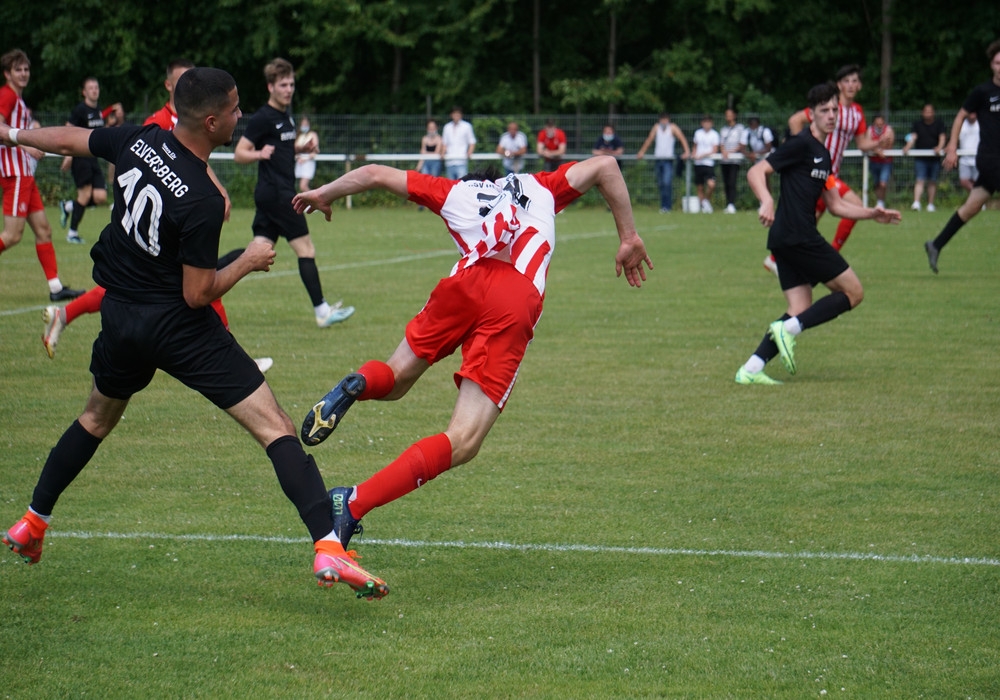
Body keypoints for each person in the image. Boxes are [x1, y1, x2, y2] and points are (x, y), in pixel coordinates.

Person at [0, 67, 387, 600]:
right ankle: (328, 545)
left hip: (121, 317)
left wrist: (13, 134)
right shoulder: (201, 197)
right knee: (274, 426)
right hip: (177, 326)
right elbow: (198, 294)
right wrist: (248, 260)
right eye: (233, 109)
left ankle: (32, 521)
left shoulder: (140, 139)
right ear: (210, 122)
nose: (240, 116)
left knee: (94, 418)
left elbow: (70, 139)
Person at [290, 155, 651, 575]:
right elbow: (606, 165)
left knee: (396, 377)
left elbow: (373, 174)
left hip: (462, 284)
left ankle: (359, 382)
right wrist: (628, 237)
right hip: (513, 298)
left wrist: (323, 193)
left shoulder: (456, 191)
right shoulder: (541, 185)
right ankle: (352, 502)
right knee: (463, 439)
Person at [42, 59, 272, 373]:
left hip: (170, 226)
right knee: (192, 286)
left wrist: (217, 189)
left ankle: (65, 315)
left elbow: (193, 163)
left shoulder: (193, 122)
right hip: (155, 225)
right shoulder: (158, 123)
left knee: (155, 287)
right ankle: (234, 362)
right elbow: (163, 166)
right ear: (170, 86)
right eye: (183, 80)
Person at [735, 82, 901, 385]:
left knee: (799, 308)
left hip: (786, 239)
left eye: (834, 109)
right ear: (811, 114)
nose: (831, 115)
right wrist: (766, 200)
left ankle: (751, 369)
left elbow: (835, 205)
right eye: (824, 110)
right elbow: (756, 171)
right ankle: (788, 330)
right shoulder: (800, 144)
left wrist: (872, 213)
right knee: (853, 293)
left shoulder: (823, 155)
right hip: (798, 236)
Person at [234, 57, 354, 328]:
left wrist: (300, 149)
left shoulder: (285, 116)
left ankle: (206, 275)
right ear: (270, 87)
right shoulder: (263, 118)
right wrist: (258, 153)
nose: (288, 90)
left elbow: (281, 146)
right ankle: (322, 312)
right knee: (306, 248)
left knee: (258, 251)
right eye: (283, 85)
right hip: (278, 194)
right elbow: (239, 154)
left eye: (291, 84)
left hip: (273, 193)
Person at [768, 63, 888, 275]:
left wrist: (879, 143)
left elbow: (862, 144)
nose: (850, 85)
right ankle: (831, 257)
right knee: (854, 205)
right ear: (839, 85)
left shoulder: (857, 113)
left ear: (859, 85)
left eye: (854, 81)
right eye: (846, 81)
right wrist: (801, 150)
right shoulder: (827, 106)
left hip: (830, 174)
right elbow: (795, 120)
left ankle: (775, 259)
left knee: (808, 220)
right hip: (818, 173)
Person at [0, 49, 83, 302]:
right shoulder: (7, 95)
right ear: (7, 74)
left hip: (25, 174)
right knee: (12, 235)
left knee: (44, 230)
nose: (24, 73)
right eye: (18, 69)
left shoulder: (19, 100)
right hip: (15, 174)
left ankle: (56, 289)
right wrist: (26, 146)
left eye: (26, 69)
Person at [924, 39, 1000, 274]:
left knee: (971, 207)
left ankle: (936, 244)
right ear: (991, 65)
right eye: (998, 63)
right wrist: (952, 147)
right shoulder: (982, 92)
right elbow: (959, 117)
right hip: (990, 159)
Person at [60, 76, 123, 244]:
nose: (94, 90)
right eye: (91, 88)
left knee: (100, 197)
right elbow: (68, 130)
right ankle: (72, 233)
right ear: (84, 92)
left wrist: (112, 125)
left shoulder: (98, 111)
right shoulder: (80, 109)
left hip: (93, 158)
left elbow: (98, 133)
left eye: (96, 87)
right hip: (80, 158)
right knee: (85, 194)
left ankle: (68, 206)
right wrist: (68, 155)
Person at [636, 112, 690, 213]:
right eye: (662, 119)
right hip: (658, 159)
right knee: (661, 183)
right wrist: (642, 152)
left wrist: (687, 151)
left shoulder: (672, 127)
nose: (664, 121)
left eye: (665, 119)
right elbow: (649, 140)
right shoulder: (656, 127)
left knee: (667, 182)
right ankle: (663, 206)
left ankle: (667, 206)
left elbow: (682, 138)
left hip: (668, 160)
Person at [902, 103, 947, 212]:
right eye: (926, 111)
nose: (928, 114)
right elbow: (913, 137)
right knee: (920, 180)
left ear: (933, 113)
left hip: (935, 158)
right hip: (920, 158)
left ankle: (930, 204)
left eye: (930, 111)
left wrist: (939, 147)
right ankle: (916, 203)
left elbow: (942, 137)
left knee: (932, 181)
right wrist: (907, 147)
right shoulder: (917, 124)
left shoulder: (939, 124)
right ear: (922, 113)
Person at [719, 108, 747, 213]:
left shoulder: (740, 128)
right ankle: (728, 203)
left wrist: (730, 152)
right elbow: (721, 144)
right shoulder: (723, 129)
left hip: (735, 159)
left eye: (730, 115)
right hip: (725, 160)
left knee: (732, 181)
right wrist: (724, 151)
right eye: (726, 115)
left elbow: (741, 144)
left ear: (734, 115)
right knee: (726, 182)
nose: (728, 117)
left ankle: (732, 203)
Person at [691, 114, 719, 213]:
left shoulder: (714, 134)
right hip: (698, 163)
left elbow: (715, 149)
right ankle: (703, 206)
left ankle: (706, 201)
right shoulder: (698, 133)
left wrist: (703, 155)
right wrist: (694, 154)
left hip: (708, 163)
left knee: (711, 184)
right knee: (700, 187)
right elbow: (695, 146)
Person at [866, 114, 895, 208]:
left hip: (886, 161)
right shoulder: (870, 130)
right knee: (877, 183)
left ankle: (881, 202)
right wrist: (878, 150)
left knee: (883, 183)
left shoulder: (888, 130)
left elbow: (889, 144)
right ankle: (879, 201)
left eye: (881, 124)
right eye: (877, 124)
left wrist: (875, 146)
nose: (879, 125)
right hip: (874, 161)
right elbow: (867, 144)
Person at [441, 105, 476, 179]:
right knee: (450, 184)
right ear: (451, 115)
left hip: (461, 161)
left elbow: (472, 141)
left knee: (461, 183)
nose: (456, 116)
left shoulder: (467, 126)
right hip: (449, 161)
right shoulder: (447, 127)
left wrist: (469, 152)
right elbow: (444, 143)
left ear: (461, 115)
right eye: (454, 114)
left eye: (458, 114)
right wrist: (443, 153)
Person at [294, 116, 319, 192]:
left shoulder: (313, 135)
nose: (304, 126)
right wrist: (298, 158)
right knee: (300, 186)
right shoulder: (299, 135)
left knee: (303, 186)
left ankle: (314, 198)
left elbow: (316, 151)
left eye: (306, 124)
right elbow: (295, 150)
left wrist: (305, 159)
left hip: (308, 161)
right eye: (303, 124)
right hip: (299, 162)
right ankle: (308, 200)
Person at [957, 112, 980, 193]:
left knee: (977, 182)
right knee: (964, 181)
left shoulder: (981, 124)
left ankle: (977, 198)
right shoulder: (961, 124)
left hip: (978, 158)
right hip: (964, 158)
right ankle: (977, 196)